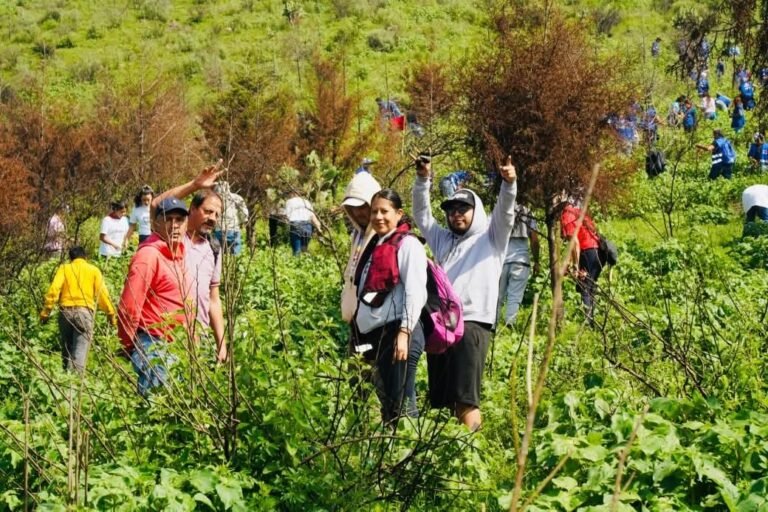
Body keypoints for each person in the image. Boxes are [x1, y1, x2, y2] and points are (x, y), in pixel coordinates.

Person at [412, 154, 517, 430]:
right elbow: (422, 216)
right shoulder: (443, 240)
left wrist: (509, 184)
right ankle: (448, 454)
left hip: (472, 324)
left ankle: (471, 447)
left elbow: (505, 214)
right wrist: (423, 180)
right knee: (442, 397)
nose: (456, 214)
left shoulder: (491, 238)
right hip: (442, 327)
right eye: (451, 209)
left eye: (463, 208)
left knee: (466, 398)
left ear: (476, 210)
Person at [352, 189, 428, 425]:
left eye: (385, 211)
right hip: (378, 335)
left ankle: (408, 454)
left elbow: (415, 291)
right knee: (388, 406)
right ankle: (392, 456)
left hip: (399, 334)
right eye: (374, 211)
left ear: (399, 214)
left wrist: (404, 333)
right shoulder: (377, 244)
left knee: (403, 404)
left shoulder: (408, 245)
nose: (378, 217)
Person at [153, 163, 228, 363]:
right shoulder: (173, 237)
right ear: (192, 209)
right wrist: (195, 185)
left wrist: (221, 343)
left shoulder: (213, 248)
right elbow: (156, 205)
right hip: (169, 335)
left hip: (200, 338)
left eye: (217, 215)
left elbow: (214, 299)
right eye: (208, 211)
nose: (213, 218)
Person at [117, 196, 190, 395]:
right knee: (158, 409)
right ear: (155, 223)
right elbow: (129, 306)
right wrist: (128, 346)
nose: (174, 225)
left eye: (179, 220)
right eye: (168, 219)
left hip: (176, 345)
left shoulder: (179, 255)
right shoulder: (148, 255)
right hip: (153, 344)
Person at [40, 246, 117, 372]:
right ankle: (73, 386)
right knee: (80, 352)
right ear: (86, 257)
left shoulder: (64, 269)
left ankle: (64, 381)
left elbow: (54, 290)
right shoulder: (93, 270)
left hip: (65, 313)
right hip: (84, 313)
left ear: (70, 258)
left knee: (67, 351)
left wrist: (45, 312)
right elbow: (102, 294)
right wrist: (111, 314)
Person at [497, 204, 540, 328]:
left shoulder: (503, 208)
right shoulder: (527, 211)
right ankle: (509, 324)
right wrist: (536, 261)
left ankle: (492, 326)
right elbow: (534, 239)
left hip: (502, 260)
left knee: (497, 297)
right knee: (514, 297)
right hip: (521, 260)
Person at [560, 200, 602, 321]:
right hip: (597, 251)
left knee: (584, 288)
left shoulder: (567, 215)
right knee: (590, 287)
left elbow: (575, 243)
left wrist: (575, 266)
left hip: (587, 251)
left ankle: (588, 323)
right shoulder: (577, 211)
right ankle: (593, 321)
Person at [213, 181, 249, 255]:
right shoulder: (236, 198)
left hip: (218, 230)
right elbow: (244, 212)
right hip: (234, 229)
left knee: (218, 254)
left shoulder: (213, 199)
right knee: (235, 254)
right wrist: (243, 221)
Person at [285, 191, 321, 256]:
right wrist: (318, 228)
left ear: (293, 193)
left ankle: (297, 265)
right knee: (304, 249)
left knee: (297, 251)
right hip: (307, 227)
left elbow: (287, 216)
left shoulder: (289, 201)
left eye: (288, 194)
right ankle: (305, 263)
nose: (288, 196)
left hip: (295, 225)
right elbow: (313, 216)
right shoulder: (306, 202)